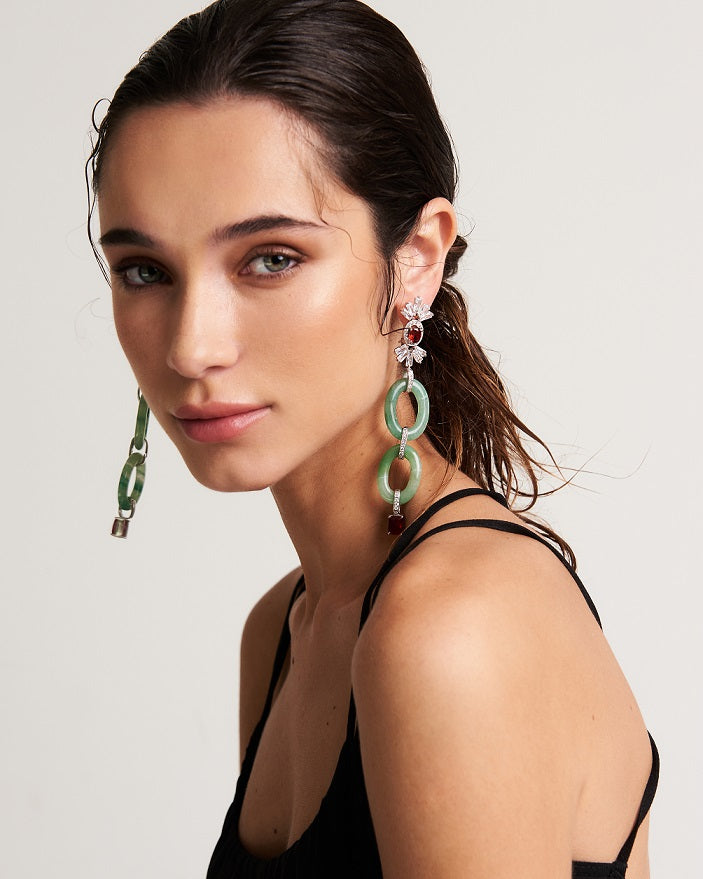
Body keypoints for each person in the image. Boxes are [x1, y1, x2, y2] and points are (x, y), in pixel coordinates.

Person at [87, 0, 658, 875]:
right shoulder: (282, 627)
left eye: (271, 258)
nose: (190, 347)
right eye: (145, 270)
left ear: (416, 259)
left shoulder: (446, 629)